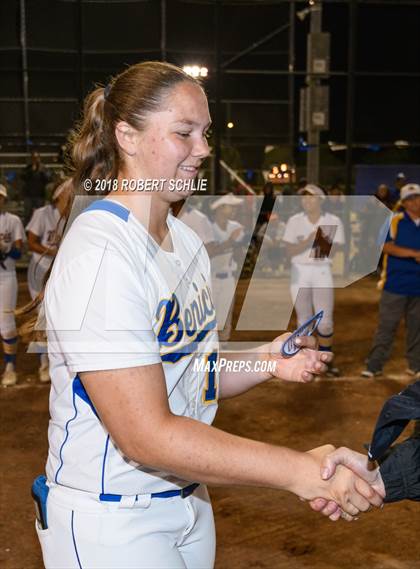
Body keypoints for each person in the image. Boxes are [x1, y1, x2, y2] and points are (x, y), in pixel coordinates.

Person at [33, 62, 383, 569]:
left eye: (205, 133)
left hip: (188, 502)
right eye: (184, 133)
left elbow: (193, 369)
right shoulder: (102, 253)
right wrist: (299, 471)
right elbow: (145, 434)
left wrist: (265, 360)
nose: (202, 148)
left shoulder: (186, 242)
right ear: (126, 136)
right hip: (112, 521)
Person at [282, 184, 345, 377]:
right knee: (304, 321)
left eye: (311, 197)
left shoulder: (332, 220)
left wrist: (319, 242)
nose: (307, 201)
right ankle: (307, 360)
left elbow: (336, 249)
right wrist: (310, 239)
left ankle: (326, 359)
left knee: (325, 323)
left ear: (320, 200)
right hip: (299, 271)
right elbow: (289, 251)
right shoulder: (294, 221)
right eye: (304, 197)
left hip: (321, 271)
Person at [361, 183, 420, 379]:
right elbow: (384, 246)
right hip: (395, 285)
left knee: (417, 328)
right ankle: (374, 364)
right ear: (403, 203)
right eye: (410, 199)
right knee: (387, 327)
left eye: (417, 197)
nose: (415, 202)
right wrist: (413, 253)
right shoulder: (394, 220)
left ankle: (415, 365)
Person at [26, 178, 72, 382]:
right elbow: (31, 242)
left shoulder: (72, 214)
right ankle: (43, 364)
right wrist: (52, 251)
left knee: (60, 317)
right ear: (57, 195)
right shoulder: (42, 214)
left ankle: (59, 363)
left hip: (60, 271)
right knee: (42, 318)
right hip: (40, 271)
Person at [208, 193, 244, 341]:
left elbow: (239, 254)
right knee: (208, 321)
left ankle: (222, 357)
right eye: (231, 206)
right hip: (210, 279)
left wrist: (237, 246)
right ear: (219, 207)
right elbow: (208, 252)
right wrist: (230, 241)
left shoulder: (235, 226)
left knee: (224, 322)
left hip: (228, 277)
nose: (234, 209)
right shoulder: (208, 227)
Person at [0, 184, 25, 386]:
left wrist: (5, 249)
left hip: (6, 277)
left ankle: (10, 367)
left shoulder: (12, 220)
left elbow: (18, 253)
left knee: (7, 326)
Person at [21, 151, 49, 223]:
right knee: (27, 215)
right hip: (29, 195)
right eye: (33, 158)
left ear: (39, 158)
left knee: (40, 215)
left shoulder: (43, 168)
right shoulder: (28, 168)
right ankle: (27, 231)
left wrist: (41, 171)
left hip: (39, 196)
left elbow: (48, 179)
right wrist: (31, 171)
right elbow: (23, 177)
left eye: (36, 158)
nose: (35, 159)